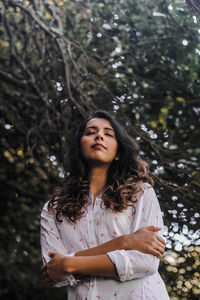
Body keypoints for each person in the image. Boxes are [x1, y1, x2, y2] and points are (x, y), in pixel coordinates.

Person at [40, 110, 170, 299]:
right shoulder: (53, 209)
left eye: (108, 134)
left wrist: (69, 264)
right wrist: (124, 242)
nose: (99, 135)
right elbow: (54, 274)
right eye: (91, 132)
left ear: (118, 152)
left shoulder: (141, 193)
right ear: (79, 146)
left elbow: (146, 262)